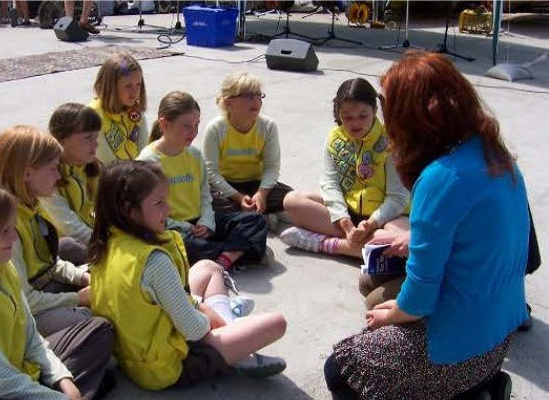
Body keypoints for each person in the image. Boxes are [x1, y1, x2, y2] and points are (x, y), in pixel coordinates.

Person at [324, 51, 528, 400]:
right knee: (373, 285)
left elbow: (419, 298)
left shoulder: (440, 177)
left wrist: (399, 313)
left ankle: (461, 389)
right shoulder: (494, 153)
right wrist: (415, 240)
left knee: (341, 367)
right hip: (500, 332)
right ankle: (482, 388)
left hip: (462, 348)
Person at [89, 160, 287, 390]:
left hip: (133, 353)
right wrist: (208, 314)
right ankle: (238, 350)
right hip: (165, 367)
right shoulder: (153, 262)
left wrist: (194, 305)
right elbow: (193, 329)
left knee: (207, 268)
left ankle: (233, 334)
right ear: (128, 209)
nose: (168, 210)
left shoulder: (107, 240)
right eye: (159, 202)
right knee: (276, 323)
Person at [0, 176, 113, 400]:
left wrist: (61, 378)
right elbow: (3, 382)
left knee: (100, 331)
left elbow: (31, 336)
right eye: (4, 231)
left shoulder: (2, 267)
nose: (15, 237)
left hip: (21, 369)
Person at [137, 91, 268, 273]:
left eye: (197, 125)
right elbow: (147, 214)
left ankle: (225, 257)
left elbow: (204, 194)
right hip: (174, 229)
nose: (194, 132)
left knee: (255, 220)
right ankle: (240, 251)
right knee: (179, 246)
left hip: (202, 224)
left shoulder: (194, 154)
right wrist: (186, 227)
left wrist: (207, 222)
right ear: (164, 124)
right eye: (186, 126)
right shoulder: (148, 162)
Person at [281, 78, 410, 258]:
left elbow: (398, 197)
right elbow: (330, 184)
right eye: (347, 117)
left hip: (386, 218)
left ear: (374, 110)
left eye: (363, 115)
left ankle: (326, 244)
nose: (355, 123)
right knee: (292, 201)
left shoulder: (390, 140)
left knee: (398, 241)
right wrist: (345, 222)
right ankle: (362, 245)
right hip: (347, 215)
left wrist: (372, 223)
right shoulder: (335, 138)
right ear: (339, 114)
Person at [0, 125, 93, 338]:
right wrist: (78, 299)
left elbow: (49, 264)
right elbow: (27, 300)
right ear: (27, 174)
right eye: (53, 168)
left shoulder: (31, 204)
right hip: (21, 317)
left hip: (40, 289)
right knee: (96, 322)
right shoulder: (6, 226)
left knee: (69, 248)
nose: (58, 176)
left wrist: (83, 278)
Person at [202, 72, 293, 229]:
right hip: (226, 187)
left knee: (292, 198)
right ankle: (257, 217)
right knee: (207, 203)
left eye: (259, 95)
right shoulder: (216, 128)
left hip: (256, 184)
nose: (256, 101)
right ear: (229, 102)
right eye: (249, 96)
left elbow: (272, 166)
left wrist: (262, 194)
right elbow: (210, 172)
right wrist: (238, 197)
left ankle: (253, 214)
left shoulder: (268, 126)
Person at [42, 103, 102, 252]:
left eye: (96, 137)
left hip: (90, 238)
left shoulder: (89, 167)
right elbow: (70, 226)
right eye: (87, 138)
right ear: (61, 139)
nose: (95, 144)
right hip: (62, 250)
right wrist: (107, 244)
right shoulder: (47, 176)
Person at [89, 52, 149, 164]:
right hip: (110, 177)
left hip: (136, 173)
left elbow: (144, 152)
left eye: (138, 85)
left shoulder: (136, 112)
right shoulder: (93, 116)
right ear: (110, 86)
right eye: (128, 86)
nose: (135, 92)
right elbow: (107, 160)